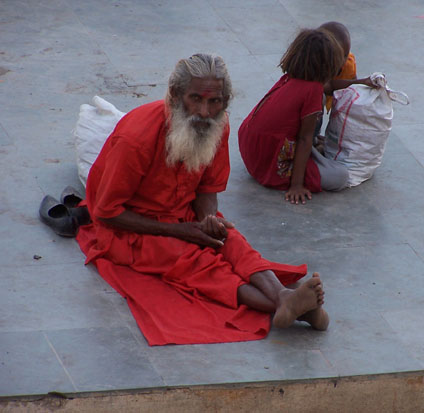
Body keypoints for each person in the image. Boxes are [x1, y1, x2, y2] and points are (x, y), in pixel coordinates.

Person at [76, 53, 329, 346]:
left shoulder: (217, 127)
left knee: (231, 241)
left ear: (226, 101)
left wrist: (208, 220)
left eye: (215, 102)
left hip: (183, 214)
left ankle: (286, 298)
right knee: (196, 261)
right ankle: (292, 307)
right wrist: (181, 232)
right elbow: (106, 213)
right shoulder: (137, 137)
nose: (205, 112)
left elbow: (207, 191)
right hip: (129, 228)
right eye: (195, 99)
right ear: (175, 95)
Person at [238, 27, 377, 205]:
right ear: (330, 65)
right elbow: (304, 139)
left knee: (317, 142)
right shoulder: (313, 92)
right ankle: (307, 163)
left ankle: (314, 152)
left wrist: (360, 82)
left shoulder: (293, 78)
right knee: (339, 176)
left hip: (251, 148)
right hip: (269, 162)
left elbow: (331, 85)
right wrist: (296, 185)